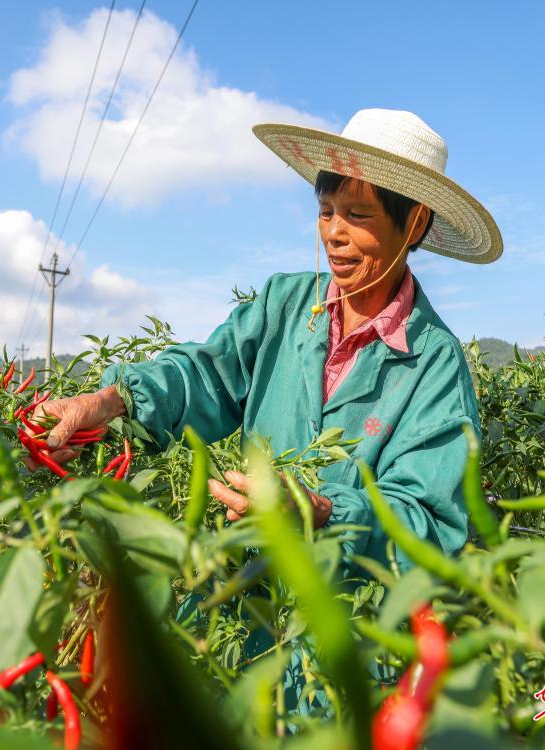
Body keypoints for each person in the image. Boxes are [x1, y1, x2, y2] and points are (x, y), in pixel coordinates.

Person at [29, 108, 502, 577]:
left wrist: (322, 512)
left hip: (347, 627)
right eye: (326, 212)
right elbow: (208, 373)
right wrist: (114, 399)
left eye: (357, 215)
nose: (333, 234)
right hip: (245, 601)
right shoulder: (286, 302)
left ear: (415, 223)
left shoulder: (434, 364)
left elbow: (430, 522)